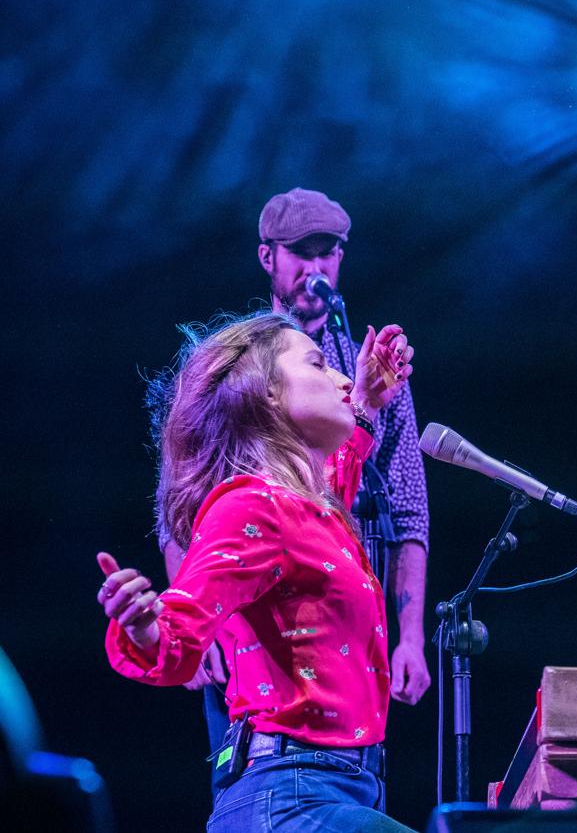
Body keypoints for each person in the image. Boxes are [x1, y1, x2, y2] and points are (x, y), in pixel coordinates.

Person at [98, 312, 415, 831]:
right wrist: (142, 623)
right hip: (289, 798)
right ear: (265, 393)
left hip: (336, 790)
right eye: (318, 364)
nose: (340, 379)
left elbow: (331, 490)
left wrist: (366, 401)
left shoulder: (305, 510)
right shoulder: (250, 507)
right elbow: (177, 640)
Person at [158, 188, 431, 790]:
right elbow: (183, 510)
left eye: (328, 253)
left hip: (346, 630)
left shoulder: (361, 371)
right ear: (267, 258)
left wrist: (409, 637)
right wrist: (197, 626)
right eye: (300, 253)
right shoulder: (240, 367)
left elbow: (406, 507)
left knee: (356, 782)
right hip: (254, 631)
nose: (316, 268)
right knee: (263, 771)